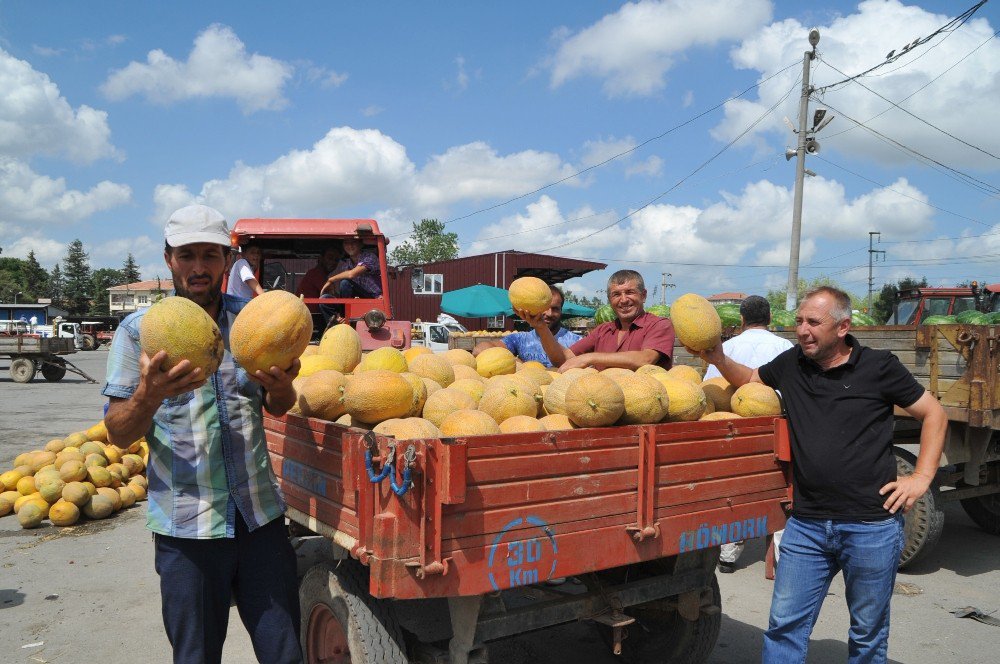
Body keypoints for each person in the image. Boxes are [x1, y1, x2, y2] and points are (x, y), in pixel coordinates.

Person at [693, 286, 946, 663]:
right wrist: (717, 357)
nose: (802, 330)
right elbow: (750, 380)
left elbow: (933, 413)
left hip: (871, 525)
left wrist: (921, 477)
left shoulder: (879, 365)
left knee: (867, 632)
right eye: (798, 321)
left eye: (813, 322)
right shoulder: (791, 362)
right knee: (784, 627)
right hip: (807, 524)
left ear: (843, 326)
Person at [102, 204, 302, 664]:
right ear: (168, 258)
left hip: (259, 518)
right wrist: (149, 395)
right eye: (186, 255)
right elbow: (117, 432)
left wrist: (282, 386)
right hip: (186, 527)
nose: (198, 267)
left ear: (226, 261)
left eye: (209, 256)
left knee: (287, 653)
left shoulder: (254, 323)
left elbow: (279, 407)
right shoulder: (138, 334)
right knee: (195, 657)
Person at [703, 295, 793, 573]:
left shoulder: (726, 348)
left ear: (741, 320)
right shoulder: (786, 346)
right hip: (778, 429)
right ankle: (782, 559)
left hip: (736, 430)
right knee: (781, 491)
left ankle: (728, 555)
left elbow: (710, 390)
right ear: (770, 319)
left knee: (736, 491)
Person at [524, 269, 675, 372]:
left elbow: (646, 359)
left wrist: (590, 357)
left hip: (647, 413)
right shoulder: (603, 331)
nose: (623, 300)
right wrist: (541, 327)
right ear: (609, 300)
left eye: (630, 292)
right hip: (603, 410)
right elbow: (563, 359)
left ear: (643, 295)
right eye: (616, 294)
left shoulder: (659, 325)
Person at [472, 284, 581, 367]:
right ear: (536, 307)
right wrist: (515, 362)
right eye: (545, 307)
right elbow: (479, 350)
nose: (549, 313)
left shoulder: (576, 341)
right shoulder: (520, 339)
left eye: (555, 309)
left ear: (561, 311)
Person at [296, 244, 342, 312]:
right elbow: (332, 296)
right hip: (310, 316)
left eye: (336, 260)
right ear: (321, 258)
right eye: (330, 257)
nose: (333, 262)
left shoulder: (319, 274)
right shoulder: (316, 273)